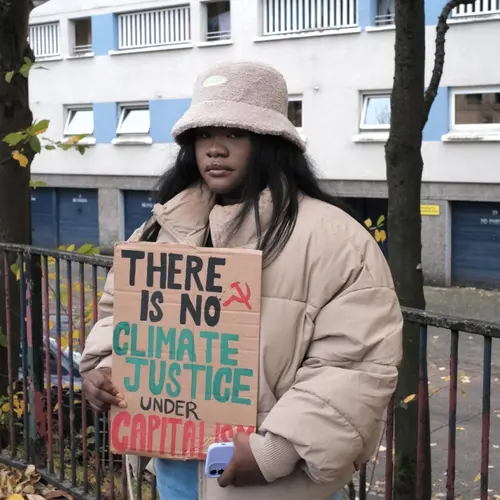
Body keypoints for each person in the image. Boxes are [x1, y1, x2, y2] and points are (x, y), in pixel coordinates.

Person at [79, 61, 403, 500]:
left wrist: (276, 449)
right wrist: (105, 368)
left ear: (271, 142)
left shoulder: (336, 240)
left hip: (271, 483)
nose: (215, 149)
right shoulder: (161, 229)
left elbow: (355, 364)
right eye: (205, 134)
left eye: (235, 133)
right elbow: (122, 315)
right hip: (173, 467)